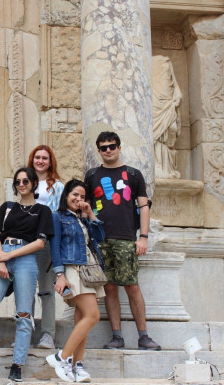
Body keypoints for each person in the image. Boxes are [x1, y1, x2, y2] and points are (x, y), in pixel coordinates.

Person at [0, 167, 54, 382]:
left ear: (34, 183)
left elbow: (40, 242)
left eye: (25, 181)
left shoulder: (43, 211)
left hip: (25, 257)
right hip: (2, 253)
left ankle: (17, 365)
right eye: (18, 181)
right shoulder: (7, 207)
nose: (21, 184)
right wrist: (1, 259)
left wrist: (10, 256)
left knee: (24, 314)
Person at [84, 131, 161, 351]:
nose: (108, 150)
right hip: (100, 238)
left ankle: (143, 336)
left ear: (119, 147)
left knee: (131, 286)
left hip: (126, 237)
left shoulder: (133, 174)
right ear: (98, 151)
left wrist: (143, 237)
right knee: (109, 288)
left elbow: (143, 206)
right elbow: (85, 207)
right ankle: (117, 336)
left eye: (112, 146)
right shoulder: (91, 175)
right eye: (103, 147)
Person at [45, 179, 106, 383]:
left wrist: (90, 214)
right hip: (73, 269)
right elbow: (54, 247)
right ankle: (61, 358)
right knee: (93, 315)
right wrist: (59, 275)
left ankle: (77, 365)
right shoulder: (57, 217)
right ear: (66, 196)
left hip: (89, 270)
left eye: (82, 196)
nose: (78, 199)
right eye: (75, 195)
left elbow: (100, 237)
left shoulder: (83, 218)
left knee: (82, 320)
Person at [27, 145, 64, 349]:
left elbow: (58, 214)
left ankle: (48, 334)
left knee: (47, 290)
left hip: (46, 241)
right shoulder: (25, 182)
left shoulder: (57, 186)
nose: (40, 161)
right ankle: (25, 333)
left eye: (44, 158)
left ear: (50, 162)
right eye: (37, 157)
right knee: (25, 289)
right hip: (26, 242)